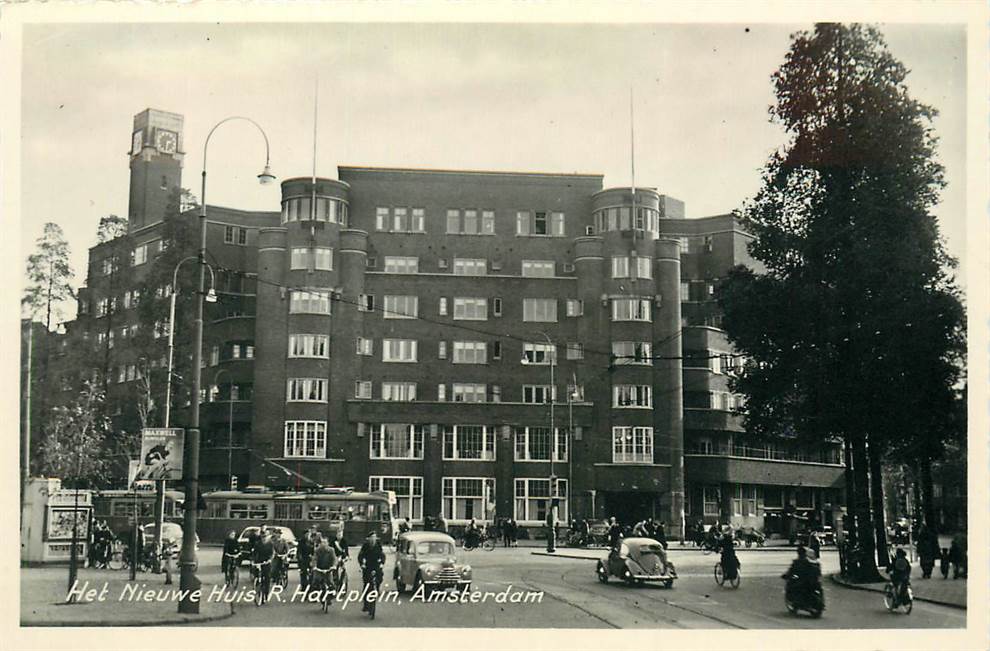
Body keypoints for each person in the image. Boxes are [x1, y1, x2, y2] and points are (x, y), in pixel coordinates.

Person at [357, 532, 386, 615]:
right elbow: (361, 556)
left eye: (375, 537)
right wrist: (362, 563)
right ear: (369, 538)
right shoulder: (365, 546)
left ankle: (377, 587)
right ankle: (366, 605)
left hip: (376, 565)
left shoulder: (378, 545)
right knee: (366, 584)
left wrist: (382, 563)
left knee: (380, 576)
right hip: (368, 566)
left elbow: (382, 555)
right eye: (372, 537)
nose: (373, 539)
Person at [251, 528, 275, 594]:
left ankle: (266, 592)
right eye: (262, 537)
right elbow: (254, 553)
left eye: (265, 537)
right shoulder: (257, 544)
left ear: (268, 537)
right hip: (259, 561)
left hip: (267, 561)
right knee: (256, 573)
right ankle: (257, 585)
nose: (264, 538)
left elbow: (272, 553)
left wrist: (270, 559)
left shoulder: (270, 544)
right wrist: (252, 560)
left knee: (267, 576)